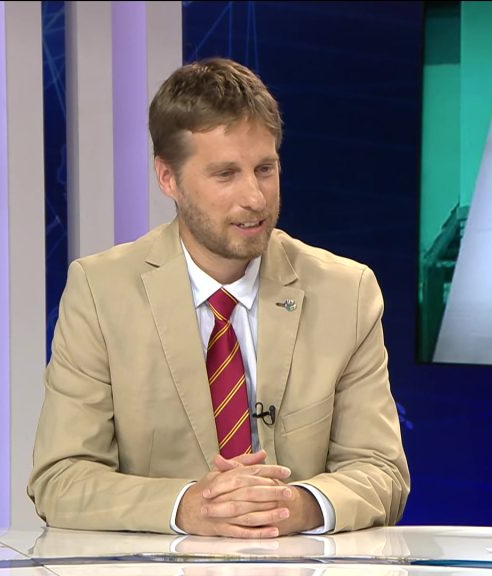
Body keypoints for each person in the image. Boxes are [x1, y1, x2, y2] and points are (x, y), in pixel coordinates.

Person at [28, 57, 409, 538]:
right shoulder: (101, 292)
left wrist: (296, 505)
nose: (255, 197)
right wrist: (188, 506)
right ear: (168, 178)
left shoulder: (345, 293)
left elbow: (381, 470)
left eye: (265, 169)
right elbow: (61, 478)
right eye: (226, 174)